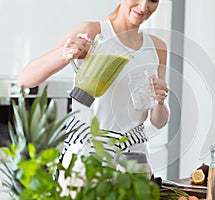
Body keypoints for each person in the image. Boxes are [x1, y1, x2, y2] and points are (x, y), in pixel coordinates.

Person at [17, 0, 169, 173]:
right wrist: (65, 54)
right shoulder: (93, 32)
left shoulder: (158, 47)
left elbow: (159, 122)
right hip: (86, 155)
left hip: (134, 159)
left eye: (153, 0)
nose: (143, 6)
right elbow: (25, 78)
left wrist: (160, 102)